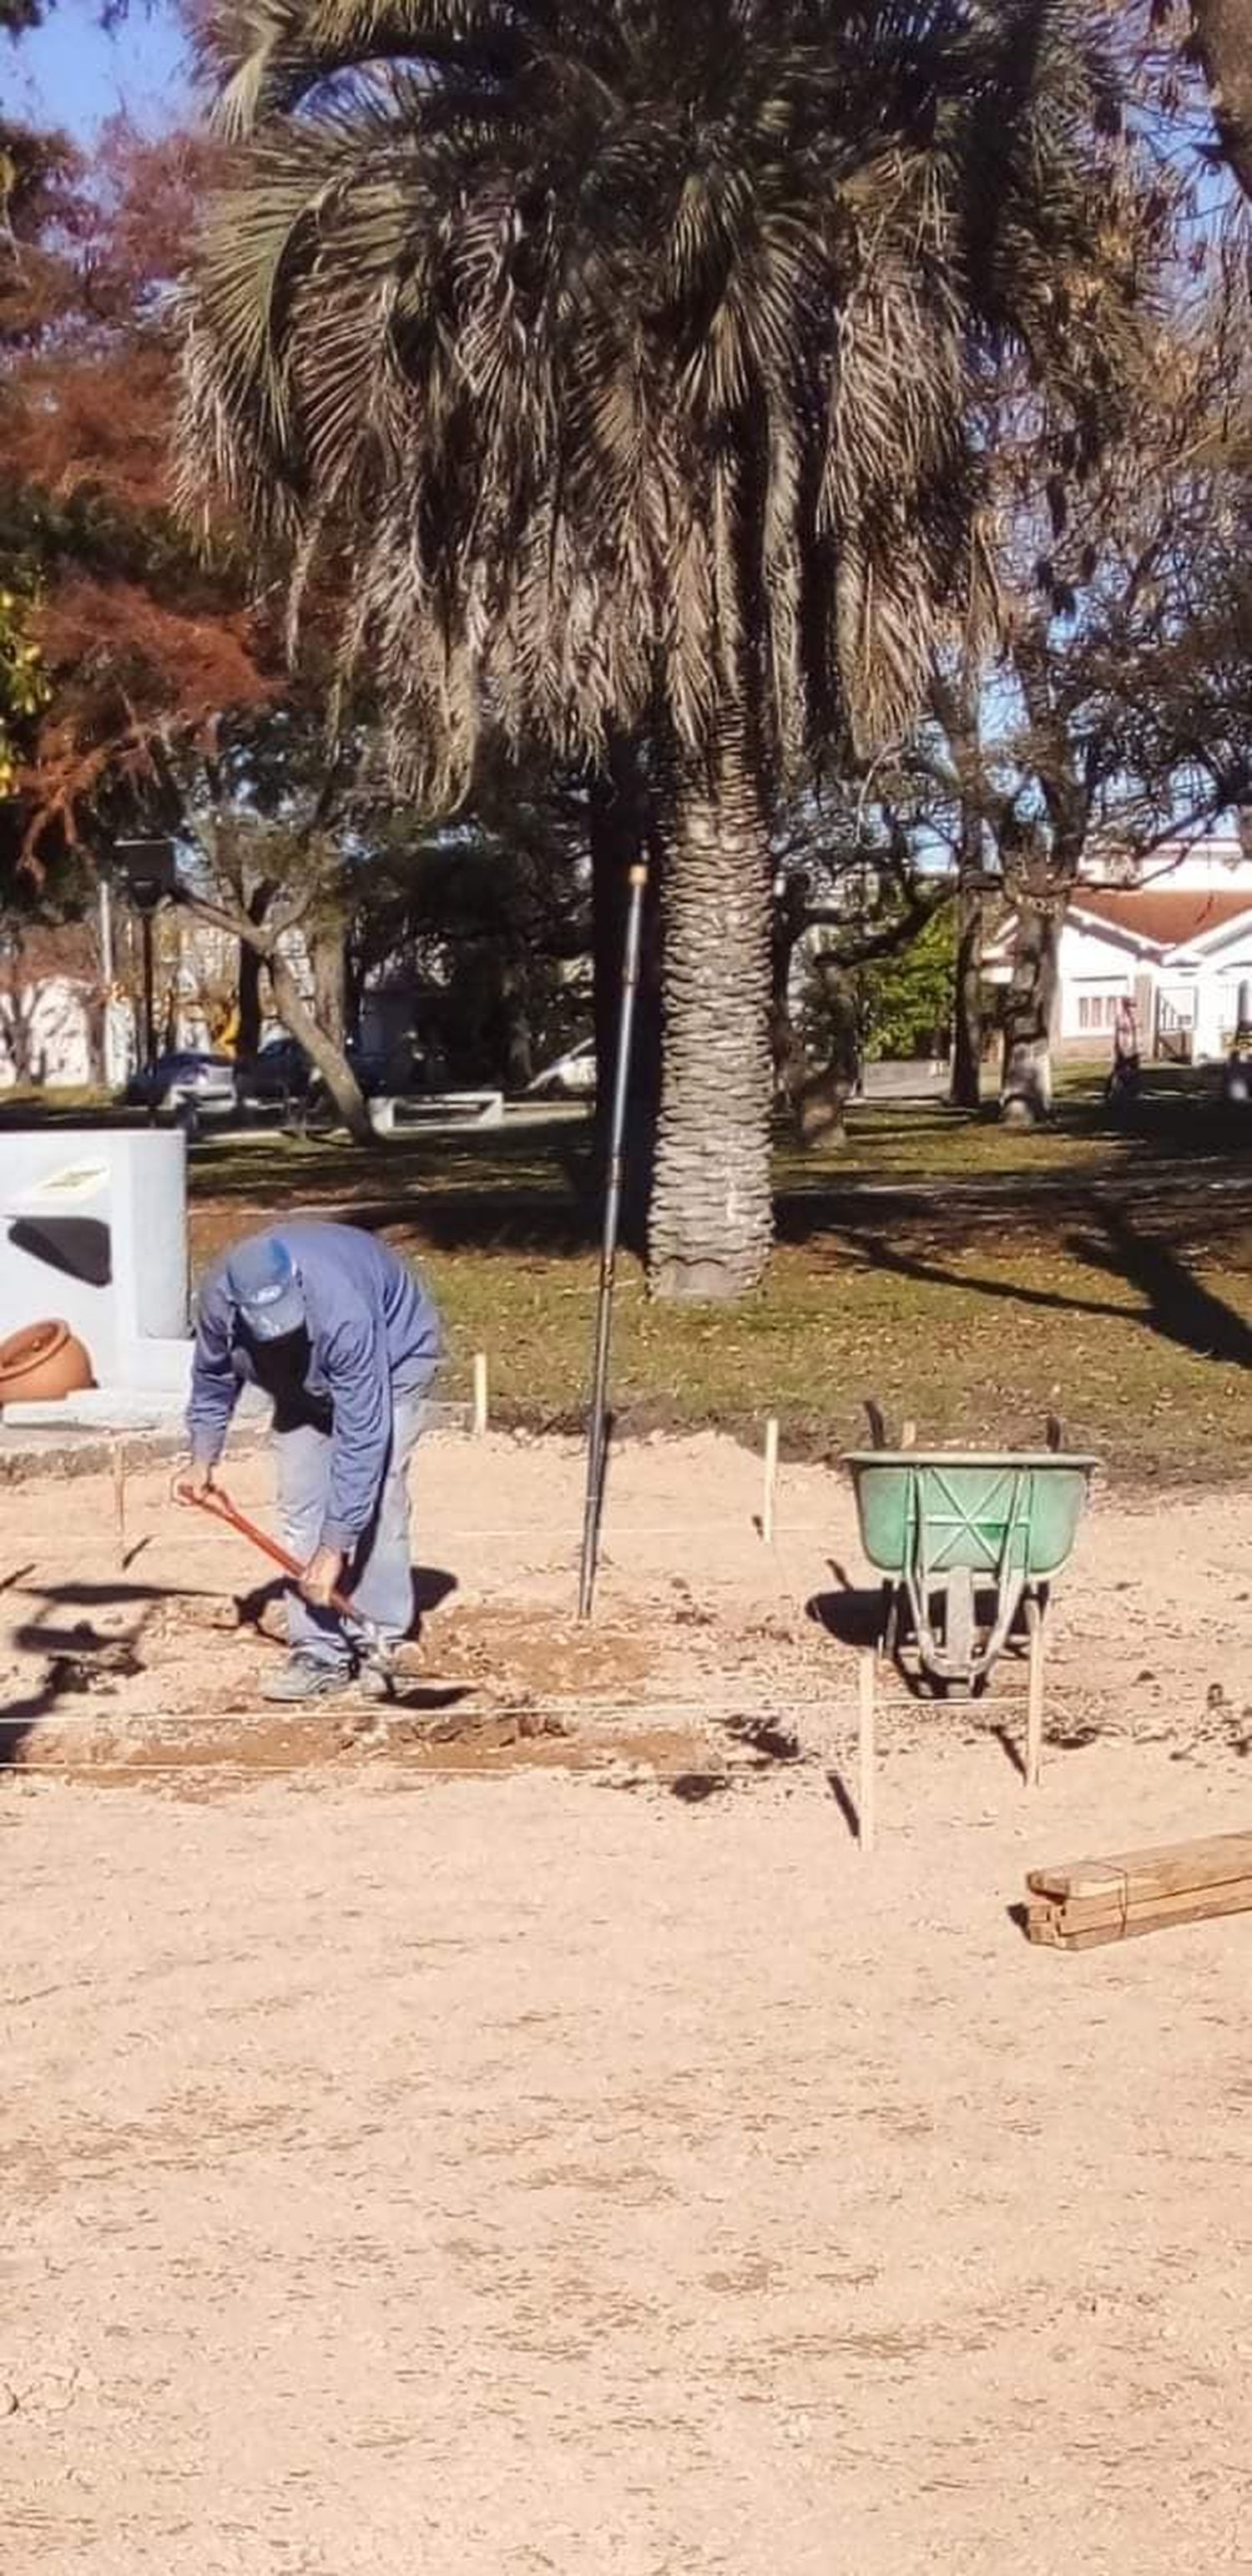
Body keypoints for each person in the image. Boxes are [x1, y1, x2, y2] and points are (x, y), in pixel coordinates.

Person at [184, 1222, 442, 1705]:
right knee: (302, 1499)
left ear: (296, 1284)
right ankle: (319, 1651)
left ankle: (381, 1639)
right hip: (294, 1380)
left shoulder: (341, 1310)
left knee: (379, 1496)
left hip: (392, 1359)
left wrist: (336, 1545)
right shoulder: (220, 1300)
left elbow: (364, 1434)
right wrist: (202, 1457)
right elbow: (212, 1377)